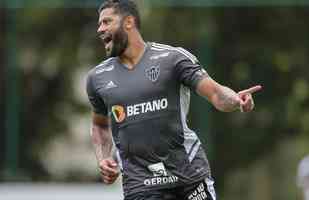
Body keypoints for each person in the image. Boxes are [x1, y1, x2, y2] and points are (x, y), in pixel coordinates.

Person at [86, 0, 262, 199]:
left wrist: (237, 100)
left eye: (106, 22)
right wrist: (103, 158)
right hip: (140, 186)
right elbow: (100, 126)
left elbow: (216, 94)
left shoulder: (172, 59)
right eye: (100, 24)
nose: (100, 29)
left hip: (188, 177)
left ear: (128, 22)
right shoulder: (97, 78)